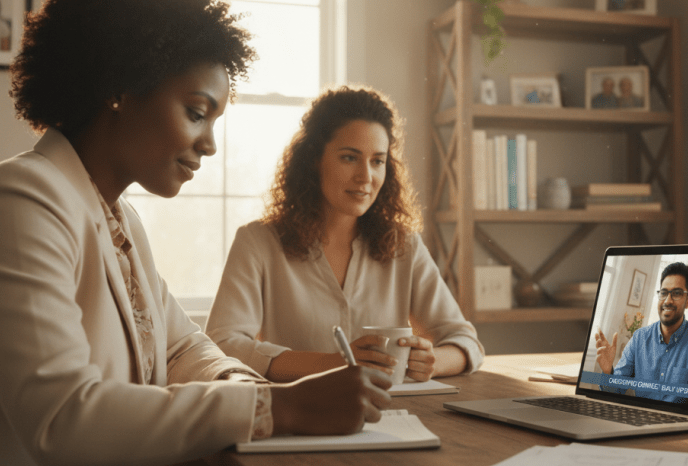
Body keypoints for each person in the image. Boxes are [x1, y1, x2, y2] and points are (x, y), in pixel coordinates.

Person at [0, 0, 391, 466]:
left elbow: (179, 349)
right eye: (197, 112)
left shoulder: (119, 220)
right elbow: (60, 418)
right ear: (120, 89)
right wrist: (275, 406)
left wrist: (247, 386)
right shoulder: (18, 200)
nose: (210, 143)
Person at [206, 86, 484, 383]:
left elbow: (465, 342)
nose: (366, 177)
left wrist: (433, 362)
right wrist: (335, 363)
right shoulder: (258, 242)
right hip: (299, 416)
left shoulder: (405, 245)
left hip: (392, 415)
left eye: (378, 161)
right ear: (314, 159)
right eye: (350, 158)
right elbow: (223, 345)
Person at [594, 261, 688, 409]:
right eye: (664, 293)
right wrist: (608, 372)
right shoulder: (639, 338)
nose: (667, 300)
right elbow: (615, 391)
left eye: (676, 293)